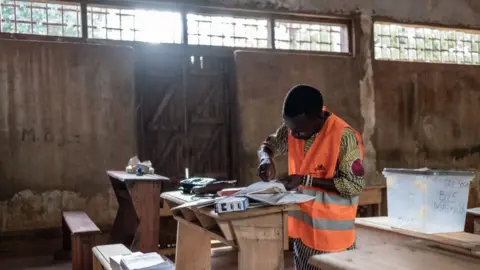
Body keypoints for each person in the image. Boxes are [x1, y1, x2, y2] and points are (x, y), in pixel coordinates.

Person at [257, 84, 365, 270]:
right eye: (290, 128)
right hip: (304, 236)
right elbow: (270, 144)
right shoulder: (294, 126)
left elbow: (354, 185)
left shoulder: (344, 137)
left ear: (318, 118)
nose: (293, 134)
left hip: (335, 243)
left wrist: (304, 180)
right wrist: (265, 159)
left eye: (298, 130)